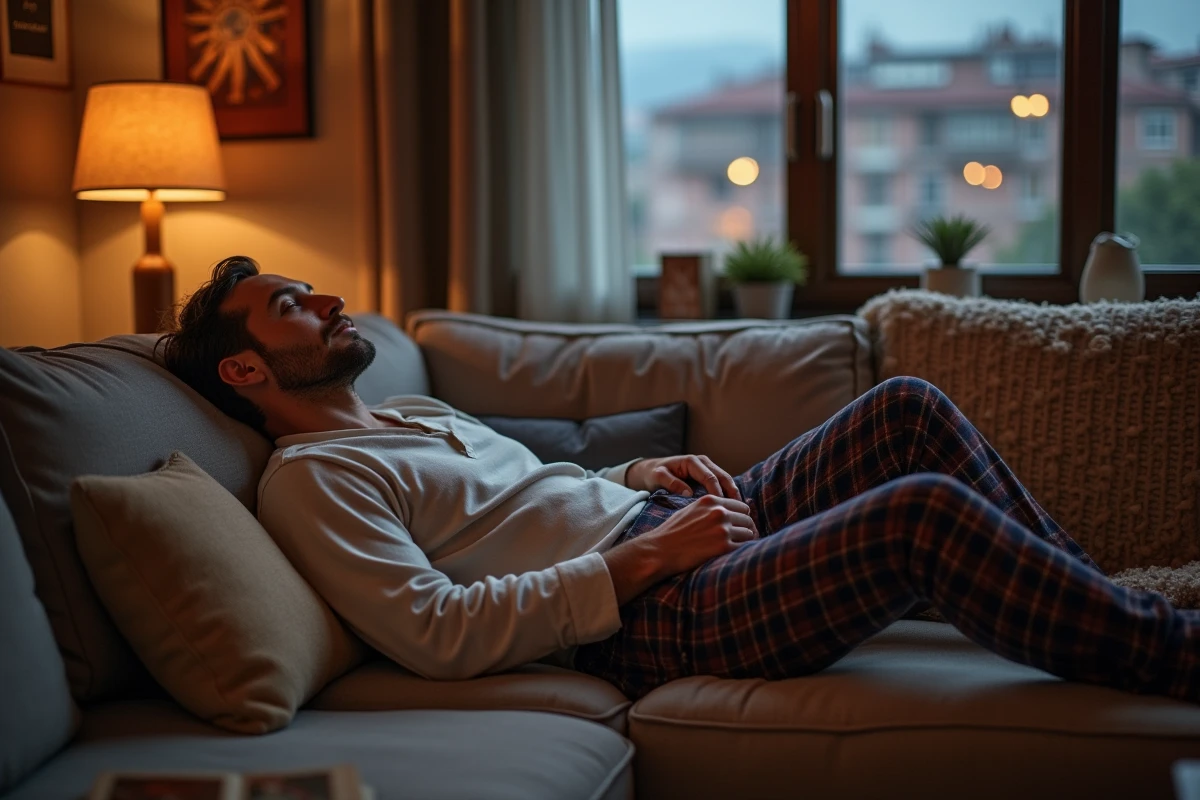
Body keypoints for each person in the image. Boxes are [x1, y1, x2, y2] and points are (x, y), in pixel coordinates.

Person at [159, 255, 1199, 702]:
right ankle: (1172, 652)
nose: (331, 299)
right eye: (294, 305)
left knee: (905, 408)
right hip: (653, 614)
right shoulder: (312, 480)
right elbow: (435, 629)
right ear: (247, 369)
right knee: (916, 516)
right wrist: (647, 553)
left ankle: (1109, 601)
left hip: (666, 531)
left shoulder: (410, 412)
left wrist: (639, 473)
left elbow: (524, 501)